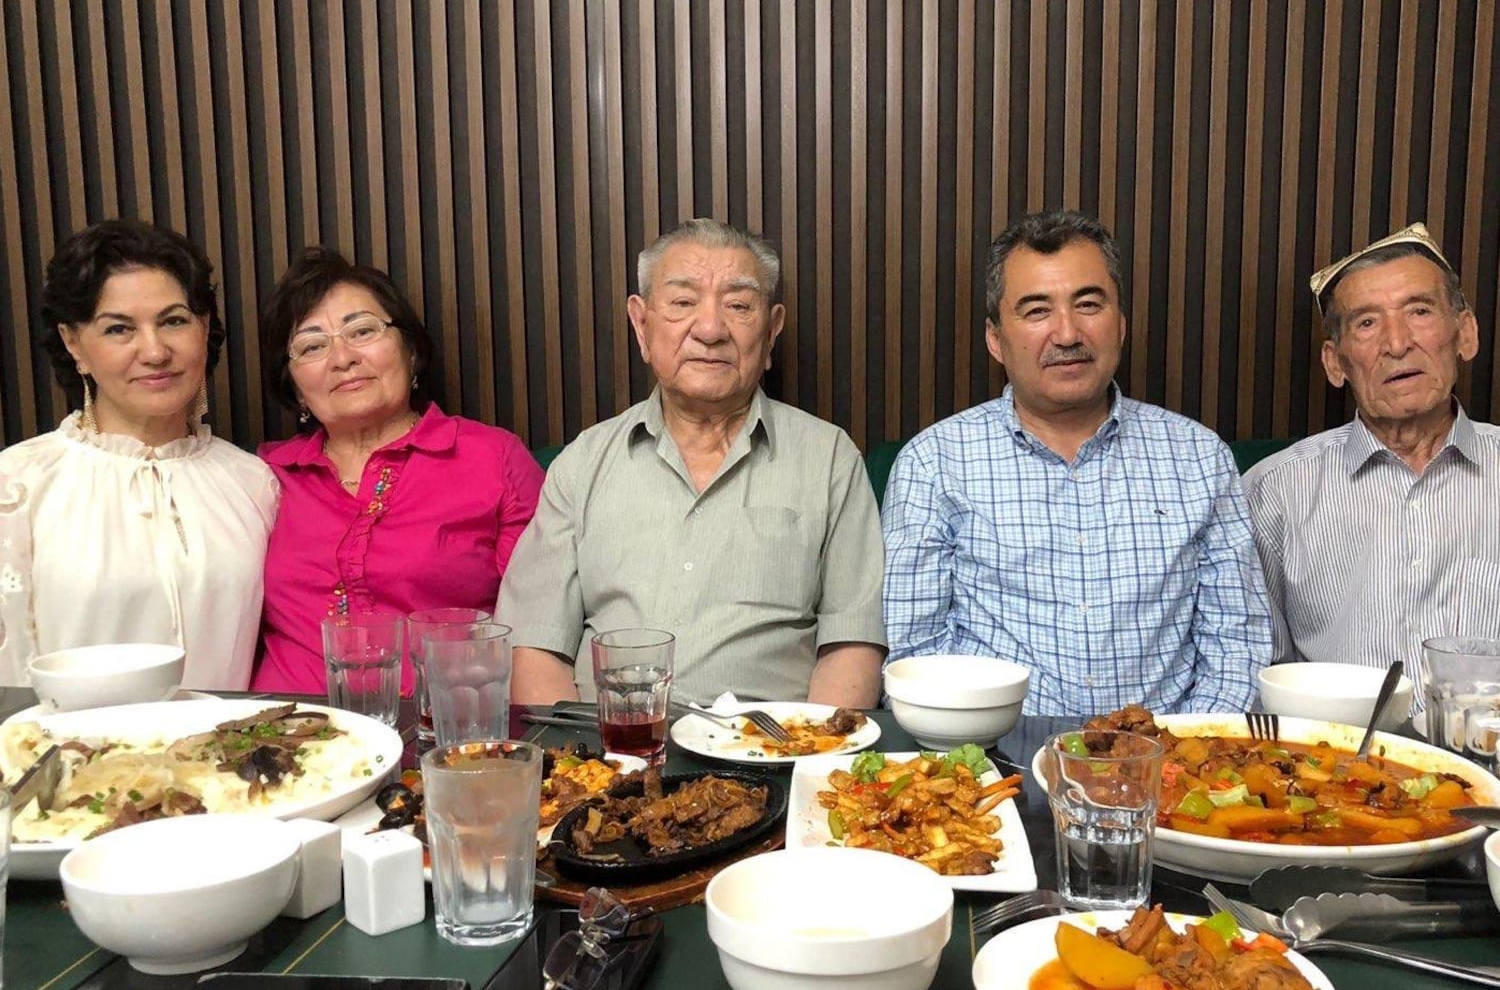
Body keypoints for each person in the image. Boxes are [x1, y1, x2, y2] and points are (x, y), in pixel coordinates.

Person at [882, 209, 1272, 718]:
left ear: (1121, 324)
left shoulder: (1198, 457)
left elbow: (1237, 645)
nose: (1067, 333)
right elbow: (915, 657)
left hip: (1170, 767)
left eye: (1088, 304)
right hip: (994, 768)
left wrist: (1178, 758)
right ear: (996, 338)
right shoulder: (935, 463)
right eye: (1037, 311)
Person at [499, 218, 886, 706]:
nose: (710, 329)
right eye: (683, 303)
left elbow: (851, 646)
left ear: (772, 330)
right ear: (641, 324)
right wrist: (586, 768)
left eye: (739, 306)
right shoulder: (583, 463)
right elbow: (534, 646)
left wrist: (809, 764)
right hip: (611, 754)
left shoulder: (829, 459)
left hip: (770, 754)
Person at [251, 247, 544, 693]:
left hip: (441, 735)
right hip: (289, 738)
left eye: (362, 330)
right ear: (294, 387)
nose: (342, 357)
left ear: (410, 350)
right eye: (312, 346)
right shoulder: (263, 476)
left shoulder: (492, 459)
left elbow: (540, 623)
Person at [0, 220, 278, 689]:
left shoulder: (254, 483)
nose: (154, 351)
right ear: (74, 344)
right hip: (66, 758)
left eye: (173, 321)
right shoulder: (18, 484)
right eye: (118, 329)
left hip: (227, 758)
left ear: (204, 329)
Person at [1243, 223, 1500, 703]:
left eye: (1419, 311)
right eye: (1366, 323)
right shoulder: (1274, 491)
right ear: (1335, 363)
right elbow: (1258, 666)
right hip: (1340, 764)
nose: (1397, 343)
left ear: (1465, 333)